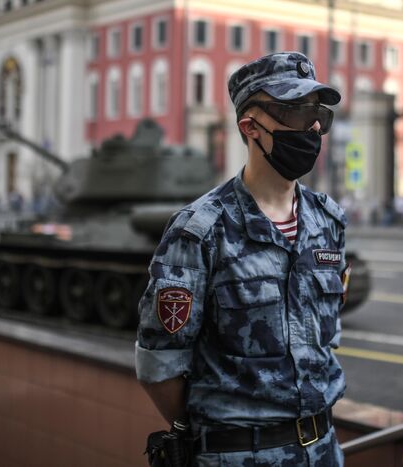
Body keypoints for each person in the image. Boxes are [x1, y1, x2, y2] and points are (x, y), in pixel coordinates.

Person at [135, 51, 349, 466]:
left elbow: (325, 342)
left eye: (319, 112)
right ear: (251, 127)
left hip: (324, 450)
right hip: (240, 456)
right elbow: (159, 365)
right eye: (298, 112)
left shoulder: (328, 221)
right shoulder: (199, 230)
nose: (315, 126)